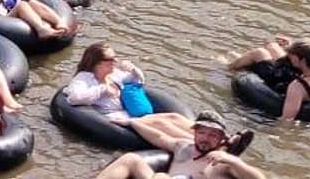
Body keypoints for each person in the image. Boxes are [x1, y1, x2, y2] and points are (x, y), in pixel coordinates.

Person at [65, 42, 216, 152]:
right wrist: (102, 89)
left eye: (115, 58)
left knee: (173, 117)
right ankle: (200, 143)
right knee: (160, 123)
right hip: (116, 120)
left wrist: (134, 70)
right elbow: (74, 98)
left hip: (131, 114)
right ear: (96, 63)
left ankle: (216, 137)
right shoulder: (84, 78)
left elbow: (137, 82)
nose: (115, 62)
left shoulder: (114, 74)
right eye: (110, 59)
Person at [92, 110, 266, 179]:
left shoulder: (221, 164)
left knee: (162, 178)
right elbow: (159, 137)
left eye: (213, 135)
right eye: (202, 133)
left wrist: (233, 160)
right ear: (195, 133)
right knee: (131, 159)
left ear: (221, 139)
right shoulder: (184, 147)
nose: (206, 138)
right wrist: (132, 122)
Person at [221, 36, 310, 122]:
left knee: (259, 53)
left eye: (293, 56)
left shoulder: (297, 87)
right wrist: (293, 48)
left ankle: (229, 66)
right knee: (272, 46)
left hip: (282, 83)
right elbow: (303, 65)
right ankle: (241, 59)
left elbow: (286, 120)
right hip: (302, 73)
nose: (290, 57)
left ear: (301, 59)